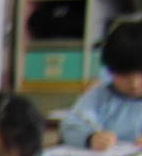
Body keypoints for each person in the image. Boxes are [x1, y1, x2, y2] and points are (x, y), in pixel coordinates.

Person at [59, 20, 142, 149]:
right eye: (123, 74)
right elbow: (71, 126)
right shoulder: (98, 96)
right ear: (109, 70)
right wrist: (90, 138)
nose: (134, 84)